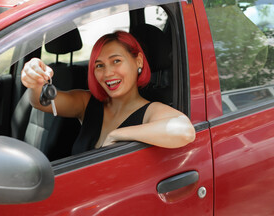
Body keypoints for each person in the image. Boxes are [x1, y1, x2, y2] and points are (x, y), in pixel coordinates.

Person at [21, 31, 195, 155]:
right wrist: (35, 81)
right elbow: (40, 102)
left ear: (138, 61)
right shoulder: (86, 102)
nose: (107, 73)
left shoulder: (151, 110)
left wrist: (117, 135)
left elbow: (185, 131)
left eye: (116, 61)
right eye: (99, 65)